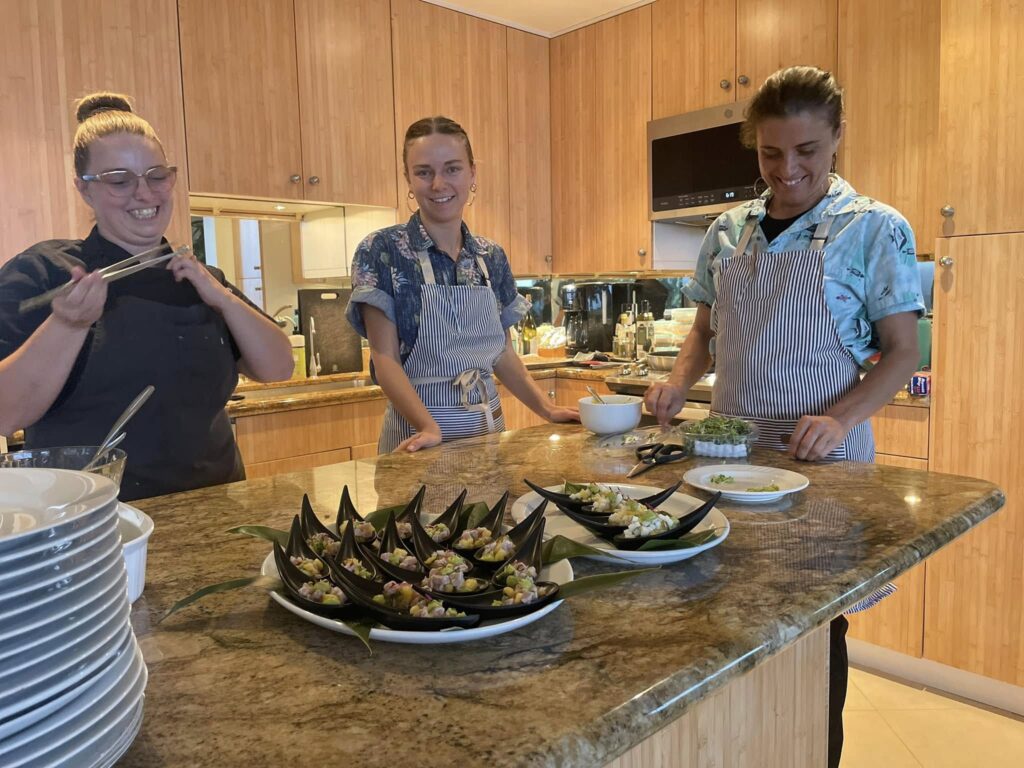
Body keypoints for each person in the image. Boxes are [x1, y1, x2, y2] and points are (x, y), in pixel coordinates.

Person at [644, 67, 924, 767]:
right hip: (725, 463)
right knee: (722, 622)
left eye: (806, 151)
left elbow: (900, 352)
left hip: (819, 470)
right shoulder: (727, 232)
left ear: (837, 140)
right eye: (771, 153)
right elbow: (704, 334)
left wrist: (839, 417)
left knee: (811, 633)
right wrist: (679, 383)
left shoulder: (873, 230)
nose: (788, 170)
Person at [0, 92, 293, 500]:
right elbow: (5, 412)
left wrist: (223, 297)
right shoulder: (43, 271)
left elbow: (279, 368)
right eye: (119, 181)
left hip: (215, 512)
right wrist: (68, 324)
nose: (144, 193)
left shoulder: (203, 279)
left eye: (157, 176)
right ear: (84, 190)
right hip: (95, 522)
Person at [347, 116, 577, 453]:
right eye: (424, 172)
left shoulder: (489, 256)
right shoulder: (381, 250)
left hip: (488, 432)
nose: (438, 184)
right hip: (419, 438)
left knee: (488, 507)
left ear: (472, 173)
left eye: (452, 169)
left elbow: (501, 353)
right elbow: (386, 359)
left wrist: (547, 408)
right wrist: (428, 426)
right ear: (408, 178)